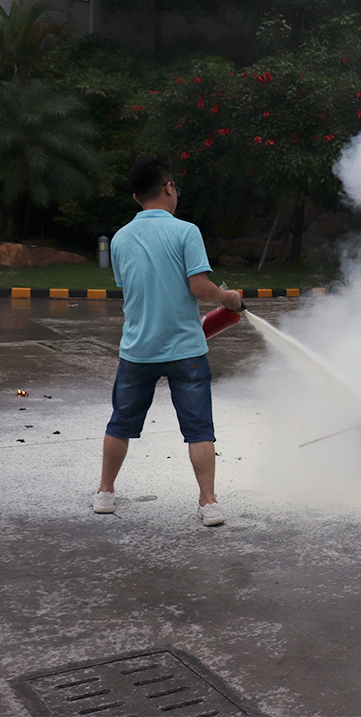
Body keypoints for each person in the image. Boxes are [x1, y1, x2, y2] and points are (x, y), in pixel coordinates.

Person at [92, 155, 242, 526]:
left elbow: (133, 291)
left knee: (120, 424)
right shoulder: (185, 231)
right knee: (199, 429)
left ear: (135, 197)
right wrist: (229, 299)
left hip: (137, 350)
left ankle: (105, 493)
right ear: (169, 188)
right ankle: (208, 503)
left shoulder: (121, 239)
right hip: (185, 351)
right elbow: (199, 287)